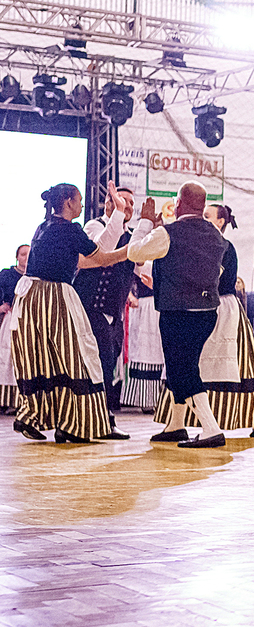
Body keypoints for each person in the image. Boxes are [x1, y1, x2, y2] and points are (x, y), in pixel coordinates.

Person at [10, 183, 131, 442]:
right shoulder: (70, 229)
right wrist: (129, 250)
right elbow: (101, 257)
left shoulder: (44, 227)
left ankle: (31, 415)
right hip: (53, 296)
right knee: (77, 358)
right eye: (79, 199)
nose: (82, 204)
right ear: (68, 201)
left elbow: (85, 259)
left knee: (43, 358)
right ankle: (74, 424)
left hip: (29, 298)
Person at [151, 204, 254, 437]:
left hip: (220, 309)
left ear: (220, 222)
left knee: (213, 365)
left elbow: (207, 279)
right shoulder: (204, 244)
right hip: (202, 306)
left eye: (207, 216)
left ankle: (251, 419)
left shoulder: (223, 246)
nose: (202, 219)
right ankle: (176, 423)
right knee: (185, 363)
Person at [125, 182, 229, 448]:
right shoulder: (216, 235)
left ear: (179, 203)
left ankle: (211, 429)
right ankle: (176, 425)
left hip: (177, 311)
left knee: (183, 370)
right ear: (202, 206)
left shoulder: (168, 233)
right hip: (207, 312)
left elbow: (134, 252)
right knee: (180, 366)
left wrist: (145, 222)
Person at [74, 184, 137, 440]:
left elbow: (142, 263)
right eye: (122, 201)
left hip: (114, 312)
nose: (127, 206)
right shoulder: (94, 226)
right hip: (90, 307)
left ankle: (103, 420)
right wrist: (118, 218)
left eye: (130, 204)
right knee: (93, 363)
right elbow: (102, 250)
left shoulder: (132, 235)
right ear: (108, 202)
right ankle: (90, 421)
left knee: (108, 365)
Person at [121, 263, 164, 412]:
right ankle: (144, 398)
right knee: (143, 349)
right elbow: (125, 276)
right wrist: (129, 295)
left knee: (160, 350)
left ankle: (159, 399)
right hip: (144, 305)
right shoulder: (137, 257)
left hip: (160, 304)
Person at [0, 244, 30, 414]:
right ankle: (3, 399)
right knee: (6, 357)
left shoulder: (34, 277)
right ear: (17, 257)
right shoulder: (7, 275)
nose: (26, 257)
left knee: (22, 359)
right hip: (10, 319)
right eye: (23, 254)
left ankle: (17, 401)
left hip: (27, 321)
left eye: (29, 254)